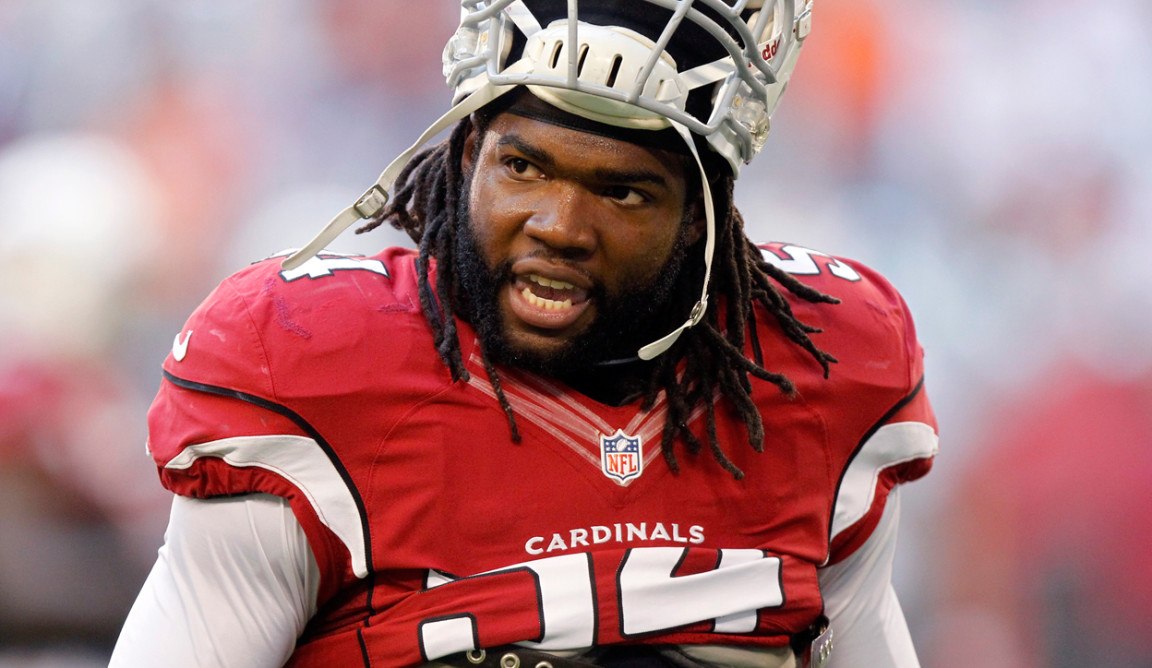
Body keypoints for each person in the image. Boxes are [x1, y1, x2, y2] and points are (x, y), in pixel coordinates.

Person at [111, 1, 938, 666]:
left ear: (701, 221)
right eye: (525, 167)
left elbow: (858, 629)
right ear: (467, 151)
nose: (560, 226)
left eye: (623, 194)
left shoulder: (817, 368)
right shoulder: (309, 364)